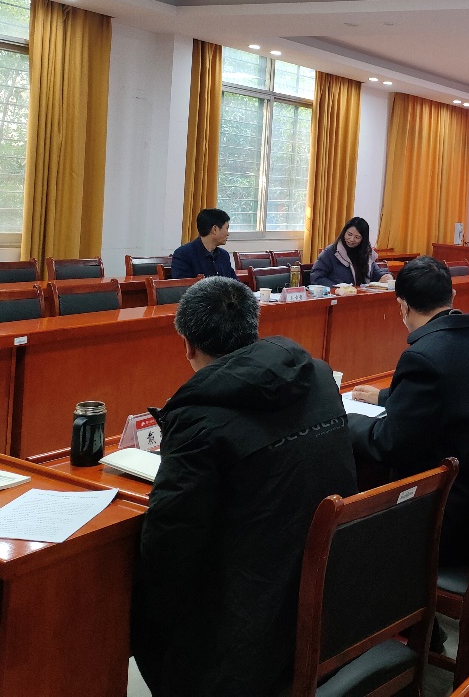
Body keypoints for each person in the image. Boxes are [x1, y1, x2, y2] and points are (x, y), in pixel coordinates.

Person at [132, 277, 356, 697]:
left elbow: (170, 539)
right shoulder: (320, 377)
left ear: (188, 346)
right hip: (329, 594)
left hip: (251, 629)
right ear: (253, 329)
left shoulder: (198, 418)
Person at [349, 256, 469, 565]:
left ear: (403, 306)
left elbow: (388, 444)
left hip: (440, 515)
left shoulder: (423, 356)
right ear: (452, 296)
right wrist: (387, 397)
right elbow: (455, 393)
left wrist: (345, 420)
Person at [309, 216, 392, 287]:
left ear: (363, 239)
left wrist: (386, 276)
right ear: (344, 232)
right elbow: (316, 277)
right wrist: (336, 288)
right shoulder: (331, 252)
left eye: (357, 237)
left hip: (361, 296)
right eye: (349, 234)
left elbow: (375, 272)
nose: (352, 239)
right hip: (338, 297)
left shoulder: (366, 253)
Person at [170, 207, 237, 279]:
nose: (228, 234)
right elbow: (182, 285)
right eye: (226, 228)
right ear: (214, 229)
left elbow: (235, 283)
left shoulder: (223, 255)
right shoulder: (183, 254)